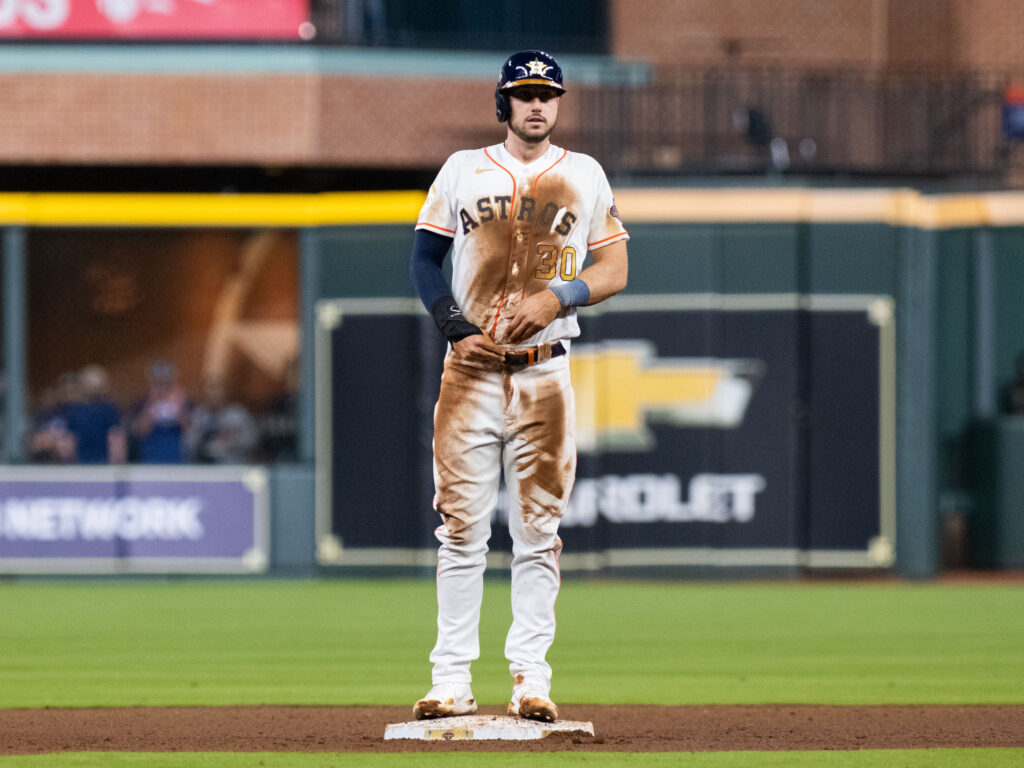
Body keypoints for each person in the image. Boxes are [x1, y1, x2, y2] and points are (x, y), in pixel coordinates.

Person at [408, 49, 629, 723]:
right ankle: (450, 682)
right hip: (470, 372)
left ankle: (532, 679)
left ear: (557, 103)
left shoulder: (584, 174)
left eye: (547, 93)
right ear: (503, 103)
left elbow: (616, 265)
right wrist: (451, 323)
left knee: (539, 532)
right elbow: (424, 256)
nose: (537, 104)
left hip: (545, 370)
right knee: (461, 531)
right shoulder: (463, 169)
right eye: (525, 93)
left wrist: (563, 293)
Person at [129, 360, 192, 463]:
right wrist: (151, 403)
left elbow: (189, 429)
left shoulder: (183, 401)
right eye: (158, 383)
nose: (162, 387)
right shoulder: (142, 403)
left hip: (176, 457)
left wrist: (178, 404)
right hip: (150, 457)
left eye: (166, 383)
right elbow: (140, 430)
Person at [186, 376, 258, 464]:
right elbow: (189, 443)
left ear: (226, 392)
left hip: (232, 466)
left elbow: (252, 441)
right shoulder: (200, 414)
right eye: (210, 388)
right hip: (203, 467)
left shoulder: (238, 414)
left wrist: (233, 438)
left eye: (217, 389)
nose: (213, 394)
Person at [63, 364, 126, 464]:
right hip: (103, 467)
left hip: (82, 467)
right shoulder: (110, 410)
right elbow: (116, 443)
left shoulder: (75, 411)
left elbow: (68, 447)